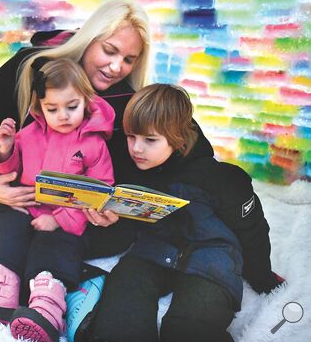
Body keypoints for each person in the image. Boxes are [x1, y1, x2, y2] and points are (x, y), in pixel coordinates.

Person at [0, 0, 152, 263]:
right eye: (109, 51)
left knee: (121, 234)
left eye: (129, 59)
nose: (116, 67)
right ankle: (50, 268)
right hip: (26, 202)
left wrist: (109, 209)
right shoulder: (30, 68)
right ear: (89, 39)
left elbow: (122, 172)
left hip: (73, 214)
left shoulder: (130, 100)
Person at [80, 83, 285, 342]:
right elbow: (129, 227)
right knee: (122, 294)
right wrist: (109, 221)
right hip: (153, 252)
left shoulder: (222, 178)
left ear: (177, 137)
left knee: (188, 328)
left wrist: (263, 278)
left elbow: (252, 230)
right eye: (131, 137)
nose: (136, 148)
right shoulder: (132, 170)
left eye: (150, 140)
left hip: (211, 261)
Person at [0, 58, 115, 342]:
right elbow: (12, 170)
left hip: (64, 218)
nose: (63, 115)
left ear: (87, 102)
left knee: (54, 247)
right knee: (5, 222)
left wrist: (59, 219)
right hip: (29, 205)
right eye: (53, 109)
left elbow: (100, 191)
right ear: (40, 108)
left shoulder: (93, 144)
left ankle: (46, 308)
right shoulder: (30, 134)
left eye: (72, 107)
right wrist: (5, 149)